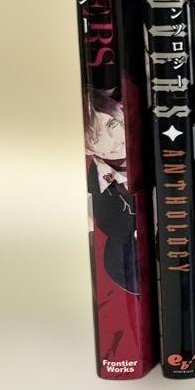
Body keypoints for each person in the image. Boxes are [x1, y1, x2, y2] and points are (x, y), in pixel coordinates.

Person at [84, 88, 139, 293]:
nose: (113, 139)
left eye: (111, 124)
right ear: (87, 149)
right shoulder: (95, 190)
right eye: (96, 138)